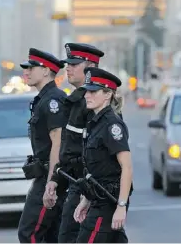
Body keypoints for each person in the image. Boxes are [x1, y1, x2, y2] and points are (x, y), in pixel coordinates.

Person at [43, 43, 104, 243]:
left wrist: (89, 191)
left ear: (92, 66)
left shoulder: (97, 101)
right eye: (68, 63)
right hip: (77, 183)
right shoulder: (74, 101)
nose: (68, 68)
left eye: (75, 64)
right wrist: (54, 179)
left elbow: (103, 153)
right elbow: (68, 149)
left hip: (94, 186)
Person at [73, 67, 133, 243]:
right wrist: (86, 200)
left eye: (93, 91)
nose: (86, 96)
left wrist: (121, 206)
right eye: (86, 91)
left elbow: (127, 167)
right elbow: (96, 169)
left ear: (107, 95)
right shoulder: (95, 123)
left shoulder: (112, 125)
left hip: (109, 201)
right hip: (98, 198)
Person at [18, 48, 68, 243]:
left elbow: (58, 142)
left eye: (32, 68)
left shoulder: (53, 100)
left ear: (46, 71)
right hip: (48, 175)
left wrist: (51, 182)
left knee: (29, 233)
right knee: (52, 236)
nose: (26, 72)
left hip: (50, 176)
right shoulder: (44, 99)